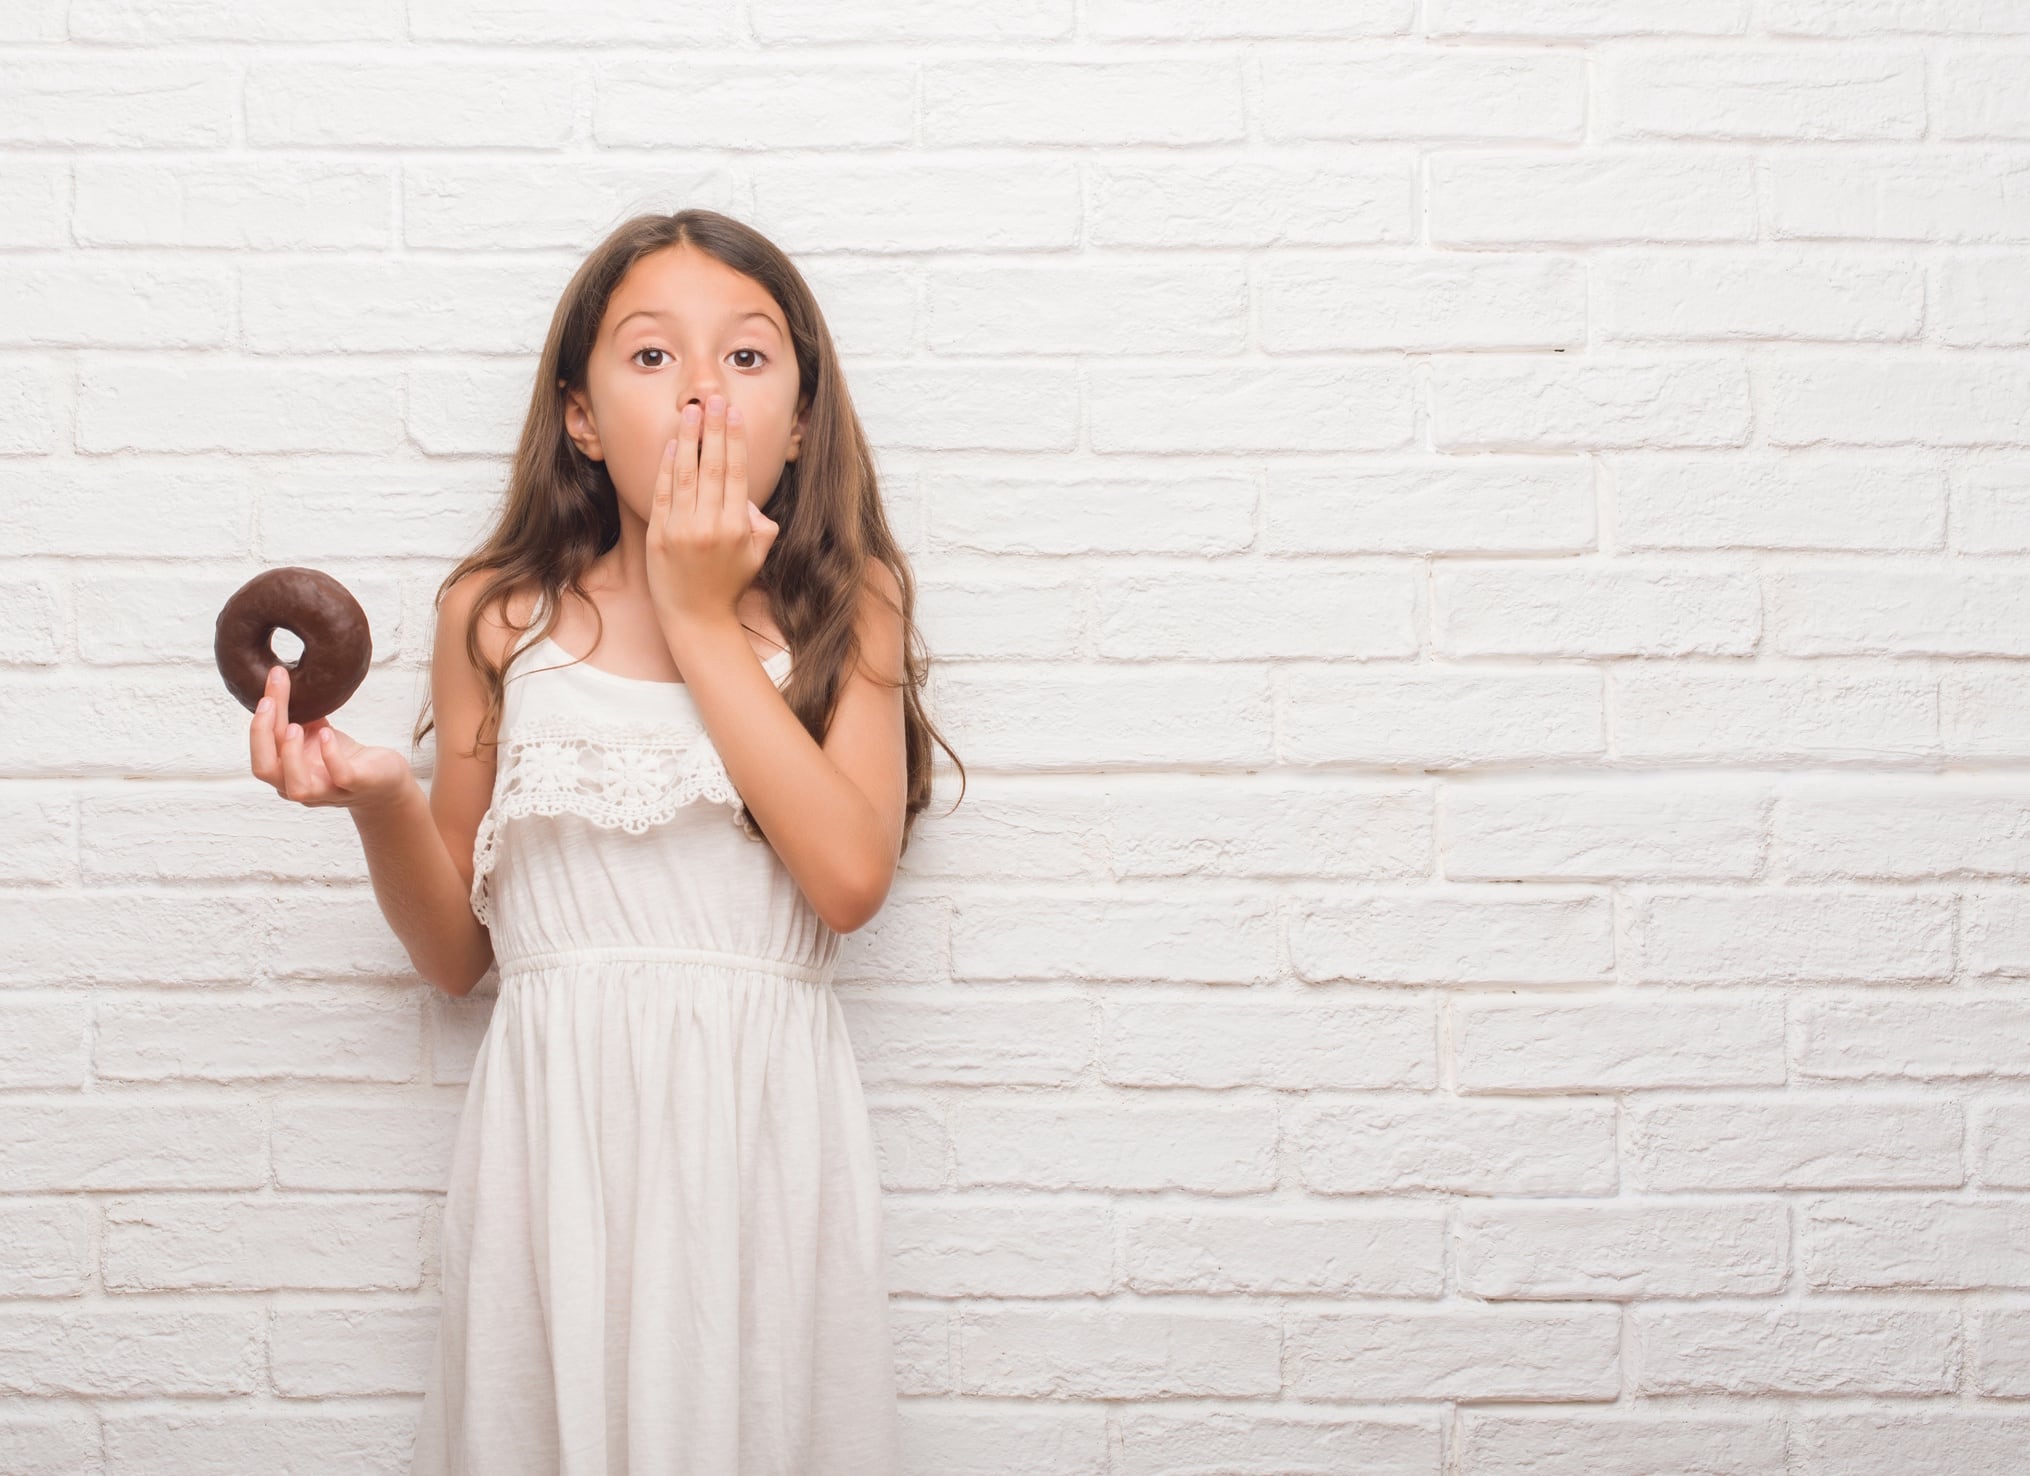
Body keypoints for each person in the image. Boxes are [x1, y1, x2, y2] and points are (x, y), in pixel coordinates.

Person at [245, 208, 965, 1475]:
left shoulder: (848, 599)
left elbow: (849, 881)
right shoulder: (496, 613)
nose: (700, 389)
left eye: (746, 357)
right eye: (650, 356)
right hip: (556, 1137)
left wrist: (695, 613)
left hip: (758, 1135)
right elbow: (459, 958)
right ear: (580, 415)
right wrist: (379, 801)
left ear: (799, 419)